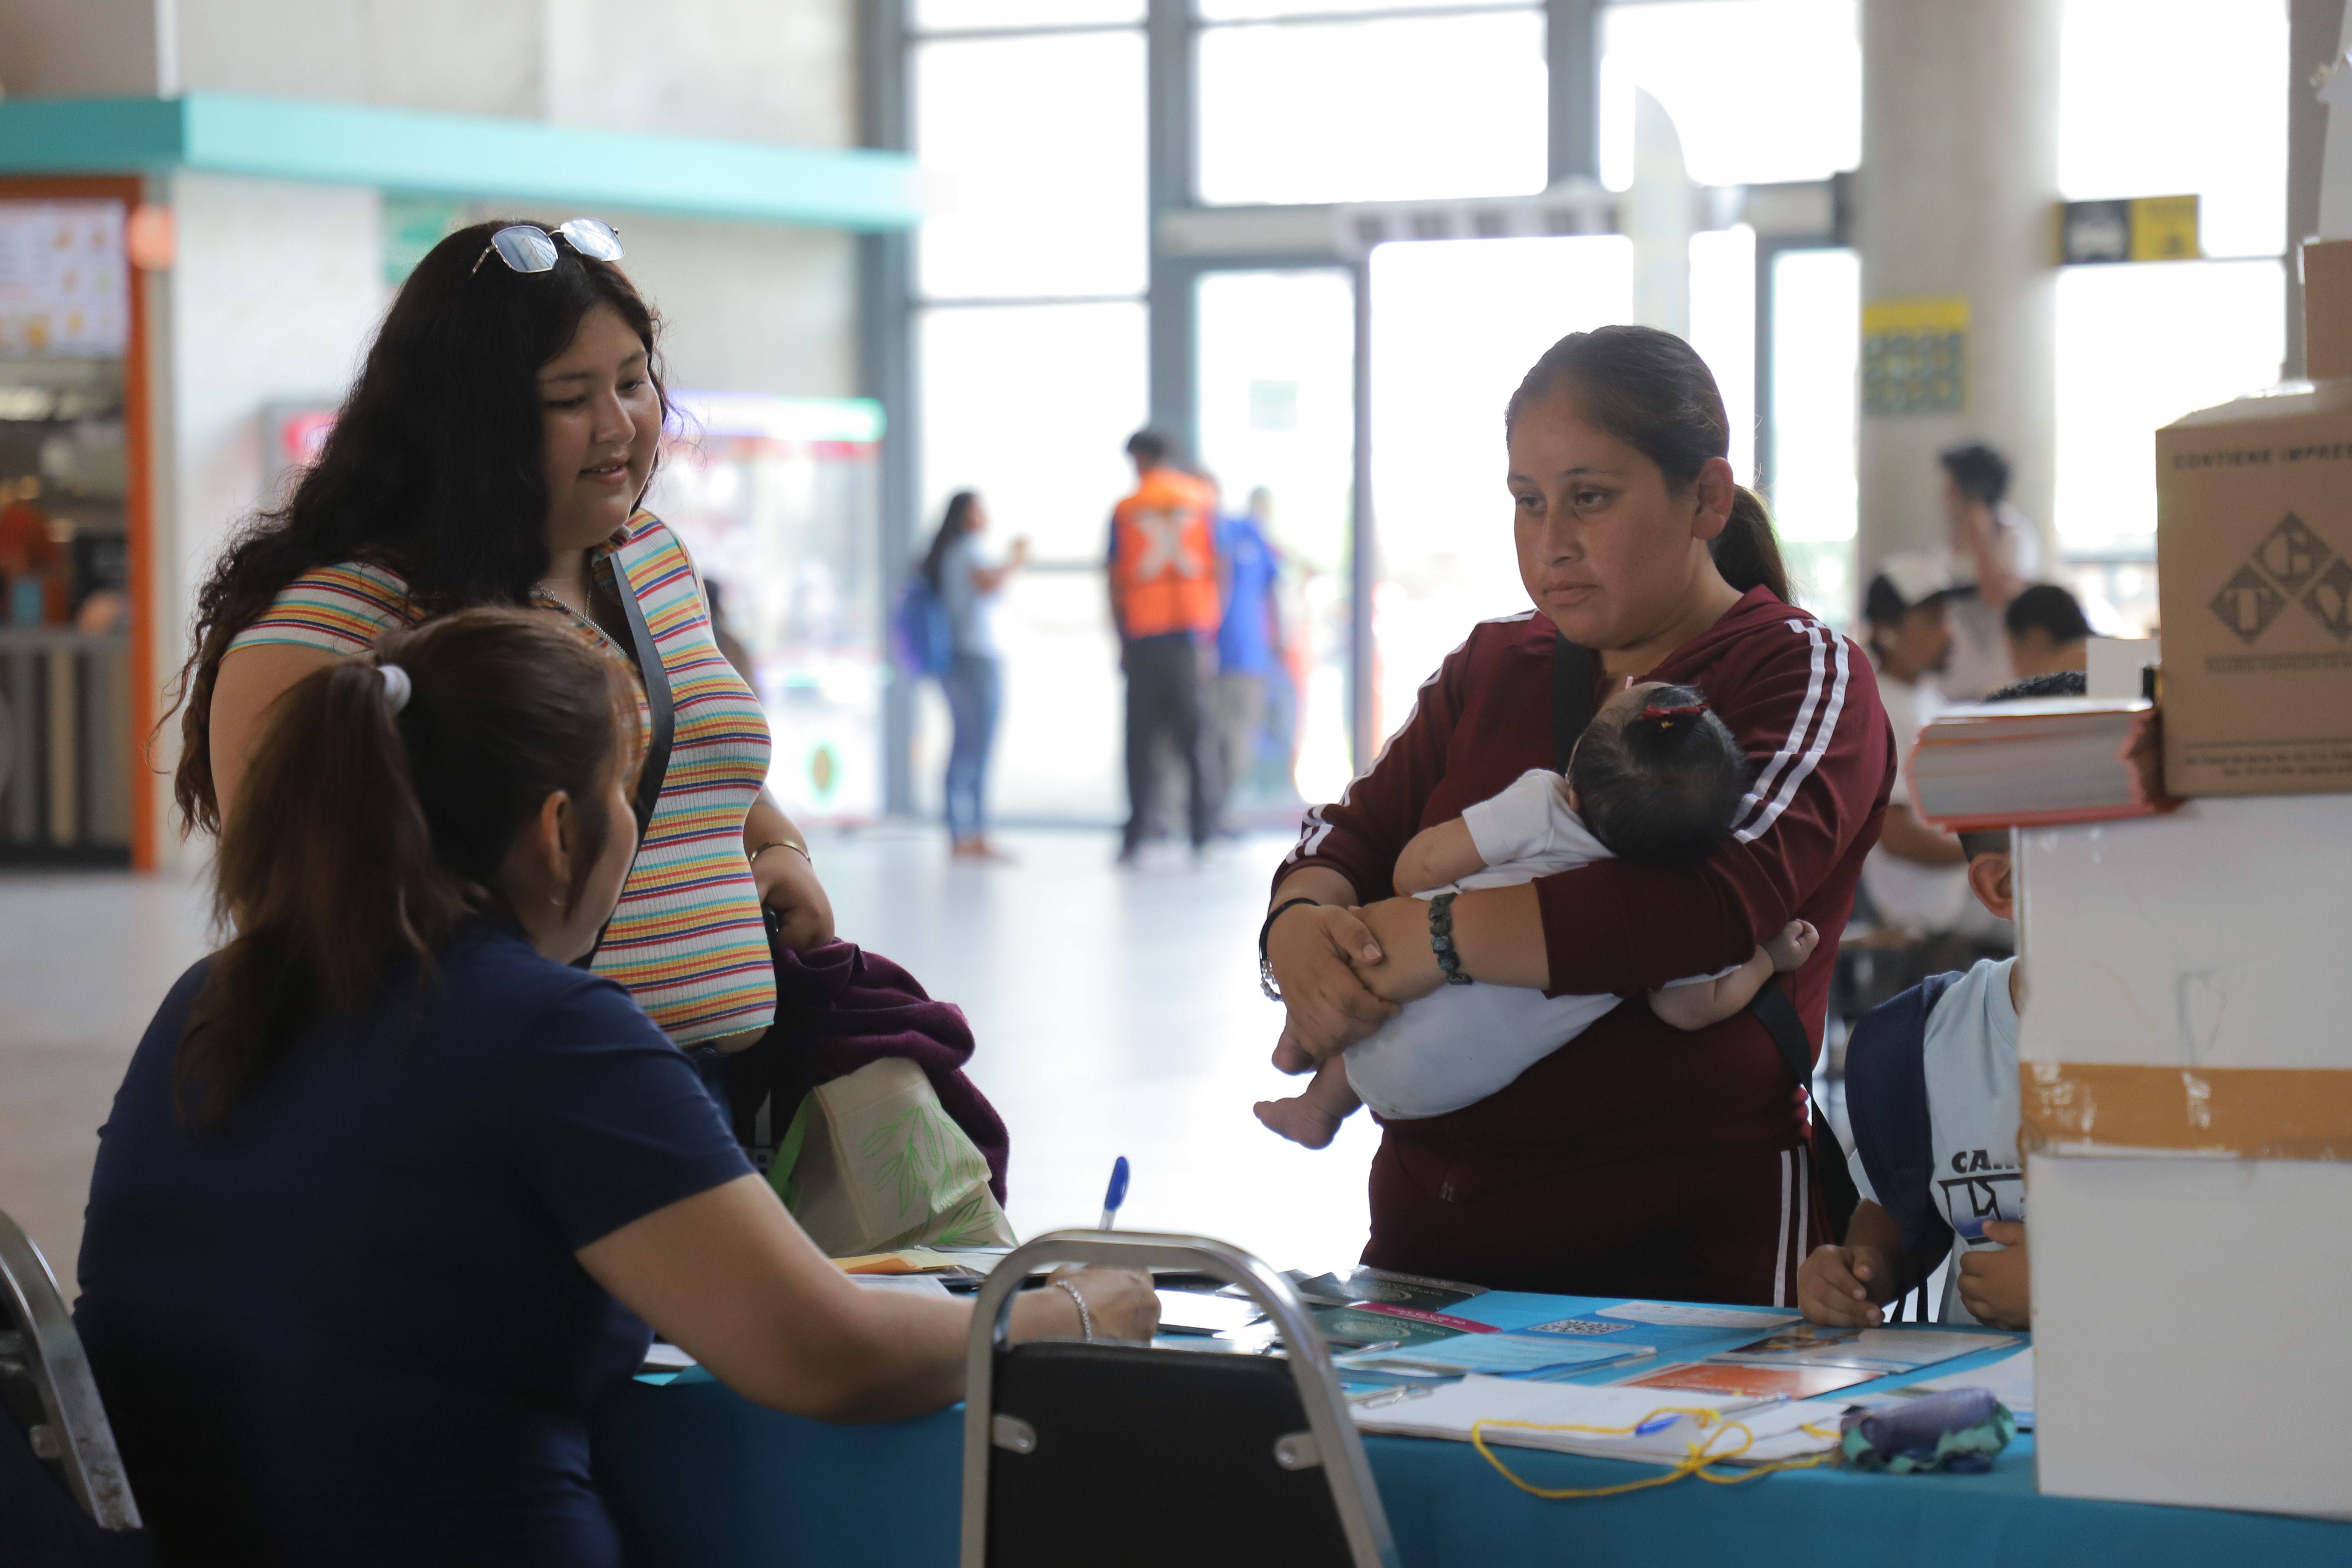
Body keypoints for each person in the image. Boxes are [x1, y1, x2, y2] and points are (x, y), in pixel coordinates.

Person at [75, 610, 1156, 1566]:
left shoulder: (213, 1001)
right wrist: (1059, 1315)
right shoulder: (548, 1036)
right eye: (627, 797)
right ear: (556, 831)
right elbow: (828, 1354)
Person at [1261, 325, 1891, 1303]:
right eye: (1527, 502)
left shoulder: (1796, 671)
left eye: (1590, 499)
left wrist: (1436, 934)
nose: (1551, 541)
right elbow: (1347, 833)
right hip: (1434, 1255)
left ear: (1706, 500)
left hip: (1684, 1272)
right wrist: (1300, 927)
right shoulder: (1490, 666)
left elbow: (1705, 910)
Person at [170, 218, 833, 1060]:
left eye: (633, 382)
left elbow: (695, 753)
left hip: (729, 1093)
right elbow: (294, 915)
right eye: (568, 398)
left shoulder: (651, 559)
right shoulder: (341, 618)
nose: (619, 424)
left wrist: (776, 845)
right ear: (467, 423)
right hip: (525, 1112)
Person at [1254, 679, 1818, 1148]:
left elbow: (1416, 869)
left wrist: (1426, 893)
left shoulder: (1543, 804)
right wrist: (1768, 959)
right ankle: (1320, 1095)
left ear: (1574, 781)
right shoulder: (1677, 895)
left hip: (1383, 1010)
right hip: (1454, 1084)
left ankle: (1318, 1097)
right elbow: (1690, 1008)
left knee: (1372, 946)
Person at [1795, 671, 2079, 1333]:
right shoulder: (1926, 1041)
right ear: (2005, 885)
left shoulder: (2217, 1035)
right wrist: (1850, 1270)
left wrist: (2074, 1287)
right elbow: (1893, 1217)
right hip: (1967, 1413)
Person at [1855, 554, 1984, 942]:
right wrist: (1986, 856)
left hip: (1948, 922)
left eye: (1949, 617)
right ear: (1885, 630)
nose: (1951, 633)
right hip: (1913, 936)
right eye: (1933, 620)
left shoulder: (1926, 699)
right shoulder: (1880, 709)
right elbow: (1894, 834)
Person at [1107, 429, 1222, 862]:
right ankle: (1201, 833)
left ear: (1139, 457)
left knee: (1140, 741)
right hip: (1190, 637)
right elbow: (1218, 565)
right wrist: (1210, 631)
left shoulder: (1127, 508)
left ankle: (1136, 835)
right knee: (1195, 738)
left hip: (1144, 637)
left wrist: (1119, 638)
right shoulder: (1201, 501)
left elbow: (1116, 581)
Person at [923, 490, 1027, 859]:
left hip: (963, 657)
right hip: (975, 657)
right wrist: (1016, 560)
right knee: (976, 747)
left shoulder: (952, 552)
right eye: (979, 510)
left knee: (966, 744)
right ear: (966, 515)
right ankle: (972, 832)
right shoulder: (966, 550)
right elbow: (989, 584)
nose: (985, 516)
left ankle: (963, 831)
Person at [1936, 441, 2043, 702]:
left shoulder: (2014, 535)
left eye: (1952, 487)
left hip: (1998, 682)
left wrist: (1981, 538)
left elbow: (1998, 598)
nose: (1944, 496)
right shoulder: (1950, 545)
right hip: (1952, 685)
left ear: (1970, 490)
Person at [1208, 486, 1284, 835]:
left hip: (1245, 656)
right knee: (1220, 737)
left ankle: (1218, 812)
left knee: (1236, 738)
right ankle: (1209, 814)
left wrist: (1277, 639)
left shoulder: (1248, 536)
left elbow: (1272, 591)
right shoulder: (1213, 535)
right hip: (1216, 656)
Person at [2004, 582, 2091, 678]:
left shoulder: (2063, 675)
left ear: (2036, 638)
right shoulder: (2101, 656)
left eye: (2014, 651)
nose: (2014, 667)